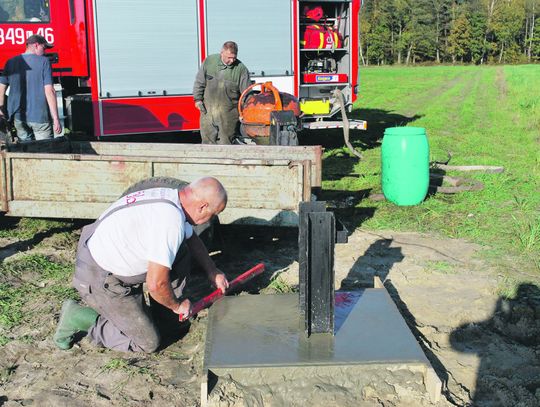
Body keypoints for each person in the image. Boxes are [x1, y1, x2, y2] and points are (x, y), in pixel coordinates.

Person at [54, 177, 229, 353]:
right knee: (147, 342)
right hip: (101, 274)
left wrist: (212, 271)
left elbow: (191, 238)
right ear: (202, 206)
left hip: (115, 253)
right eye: (213, 214)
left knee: (181, 252)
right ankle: (78, 317)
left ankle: (163, 315)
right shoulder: (169, 221)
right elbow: (155, 284)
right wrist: (177, 306)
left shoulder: (174, 199)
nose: (211, 218)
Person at [0, 34, 62, 142]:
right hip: (40, 117)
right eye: (44, 48)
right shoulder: (44, 62)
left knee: (26, 150)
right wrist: (56, 118)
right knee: (45, 150)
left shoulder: (11, 62)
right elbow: (49, 91)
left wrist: (0, 110)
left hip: (19, 118)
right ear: (36, 45)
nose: (45, 51)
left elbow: (1, 88)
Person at [193, 41, 251, 145]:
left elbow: (246, 95)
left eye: (234, 57)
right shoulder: (209, 62)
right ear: (222, 53)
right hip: (208, 112)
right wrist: (197, 99)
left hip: (228, 116)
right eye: (229, 57)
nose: (232, 60)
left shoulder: (241, 70)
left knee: (226, 143)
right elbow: (199, 81)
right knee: (207, 142)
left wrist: (245, 113)